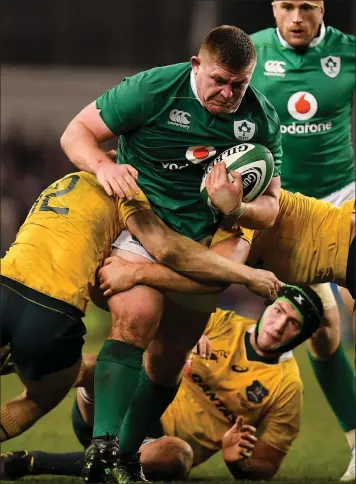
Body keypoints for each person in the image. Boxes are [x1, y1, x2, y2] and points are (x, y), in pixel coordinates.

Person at [60, 25, 285, 482]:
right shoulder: (154, 89)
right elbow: (76, 132)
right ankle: (102, 446)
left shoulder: (262, 117)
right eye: (218, 80)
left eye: (238, 84)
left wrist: (238, 206)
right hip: (142, 225)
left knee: (170, 358)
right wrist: (104, 165)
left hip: (204, 247)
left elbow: (272, 208)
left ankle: (125, 458)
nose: (227, 93)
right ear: (196, 66)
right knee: (135, 319)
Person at [0, 170, 280, 444]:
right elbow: (170, 251)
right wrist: (247, 276)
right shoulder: (127, 194)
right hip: (52, 312)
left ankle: (18, 358)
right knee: (40, 398)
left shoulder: (64, 182)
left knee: (87, 366)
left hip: (5, 283)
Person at [0, 285, 324, 482]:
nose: (279, 324)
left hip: (154, 447)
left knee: (177, 455)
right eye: (280, 310)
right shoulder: (222, 321)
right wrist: (177, 342)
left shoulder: (287, 386)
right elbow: (152, 326)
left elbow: (266, 463)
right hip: (116, 410)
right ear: (269, 305)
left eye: (293, 323)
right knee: (93, 366)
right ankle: (17, 359)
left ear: (301, 336)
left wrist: (237, 461)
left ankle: (33, 462)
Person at [249, 2, 356, 479]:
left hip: (342, 202)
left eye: (307, 6)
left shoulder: (348, 53)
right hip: (284, 213)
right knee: (326, 335)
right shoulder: (248, 52)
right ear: (274, 6)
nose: (296, 16)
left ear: (323, 8)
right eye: (287, 5)